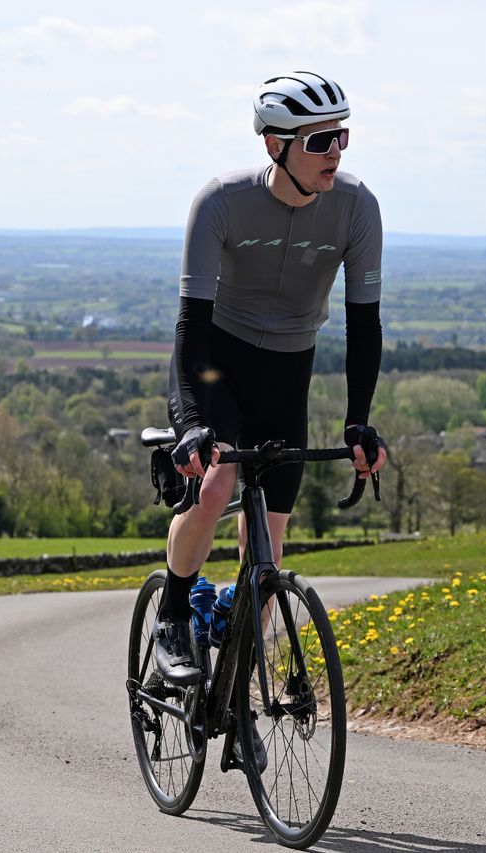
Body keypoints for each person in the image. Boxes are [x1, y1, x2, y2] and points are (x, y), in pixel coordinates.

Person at [154, 70, 388, 686]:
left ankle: (233, 687)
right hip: (214, 363)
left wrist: (358, 420)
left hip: (288, 371)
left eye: (341, 136)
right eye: (318, 142)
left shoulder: (357, 208)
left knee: (271, 543)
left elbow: (363, 326)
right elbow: (191, 324)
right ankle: (173, 615)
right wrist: (195, 424)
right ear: (274, 145)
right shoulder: (222, 202)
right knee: (215, 485)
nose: (334, 152)